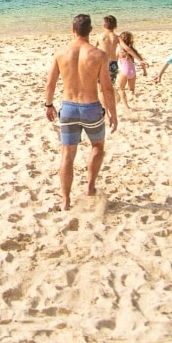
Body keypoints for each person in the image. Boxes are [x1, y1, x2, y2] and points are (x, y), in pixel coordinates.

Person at [45, 14, 117, 210]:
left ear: (73, 30)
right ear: (91, 31)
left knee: (67, 155)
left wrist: (48, 105)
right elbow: (106, 88)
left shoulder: (61, 53)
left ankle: (65, 200)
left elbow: (50, 83)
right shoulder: (99, 55)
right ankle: (90, 187)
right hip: (91, 108)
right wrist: (113, 113)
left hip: (68, 108)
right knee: (97, 147)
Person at [116, 30, 148, 110]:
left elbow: (114, 61)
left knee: (121, 88)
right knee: (131, 89)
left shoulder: (119, 50)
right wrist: (144, 71)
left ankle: (126, 106)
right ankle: (131, 96)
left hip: (124, 72)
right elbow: (141, 61)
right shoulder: (132, 50)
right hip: (133, 72)